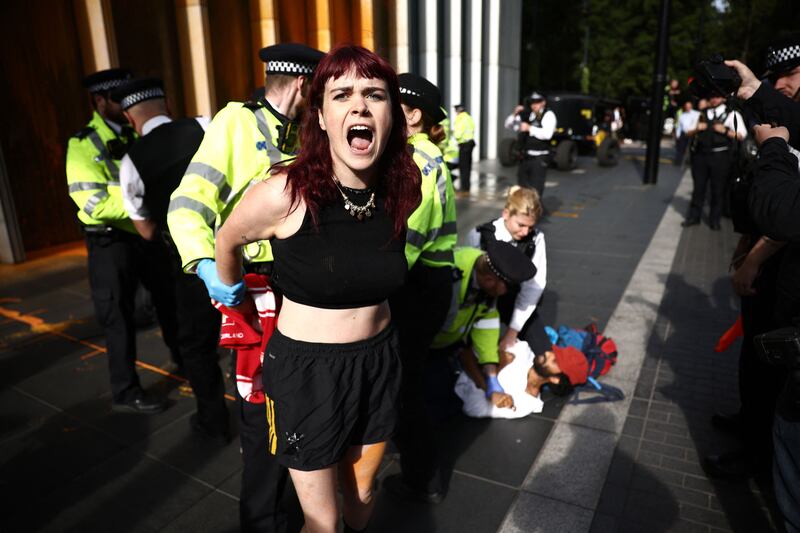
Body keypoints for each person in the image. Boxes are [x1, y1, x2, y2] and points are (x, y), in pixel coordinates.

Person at [214, 44, 421, 533]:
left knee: (364, 493)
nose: (359, 106)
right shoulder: (284, 192)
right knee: (322, 522)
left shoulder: (402, 185)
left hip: (379, 360)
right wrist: (233, 297)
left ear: (392, 112)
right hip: (307, 372)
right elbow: (228, 238)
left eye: (374, 94)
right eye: (342, 94)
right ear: (322, 116)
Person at [167, 43, 324, 532]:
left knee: (302, 406)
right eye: (318, 91)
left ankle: (299, 509)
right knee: (260, 410)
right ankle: (261, 520)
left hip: (303, 289)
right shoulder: (235, 124)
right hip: (256, 291)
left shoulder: (308, 132)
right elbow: (188, 202)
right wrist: (204, 264)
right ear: (301, 85)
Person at [111, 78, 229, 442]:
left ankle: (214, 422)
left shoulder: (131, 161)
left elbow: (145, 230)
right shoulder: (206, 125)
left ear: (131, 119)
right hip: (236, 249)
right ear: (168, 106)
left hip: (189, 263)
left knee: (196, 346)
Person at [66, 68, 173, 414]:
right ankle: (126, 391)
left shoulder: (135, 134)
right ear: (99, 101)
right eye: (116, 98)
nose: (125, 103)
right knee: (118, 318)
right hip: (111, 243)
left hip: (143, 236)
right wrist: (137, 207)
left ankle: (185, 360)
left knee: (167, 303)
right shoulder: (82, 144)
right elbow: (91, 201)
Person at [727, 46, 800, 533]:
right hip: (770, 266)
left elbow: (784, 214)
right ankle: (750, 434)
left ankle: (756, 457)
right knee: (755, 361)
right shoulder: (786, 117)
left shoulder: (786, 137)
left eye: (792, 75)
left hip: (786, 279)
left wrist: (773, 146)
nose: (785, 86)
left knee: (774, 380)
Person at [384, 73, 457, 505]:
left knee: (404, 385)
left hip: (418, 286)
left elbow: (407, 241)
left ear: (410, 114)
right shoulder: (422, 156)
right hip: (427, 284)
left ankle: (423, 476)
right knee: (407, 379)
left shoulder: (417, 163)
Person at [430, 240, 536, 414]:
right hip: (420, 345)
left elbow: (486, 329)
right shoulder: (449, 276)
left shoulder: (485, 284)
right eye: (507, 289)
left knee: (450, 403)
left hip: (445, 346)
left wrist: (492, 379)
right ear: (489, 280)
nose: (506, 294)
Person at [467, 186, 548, 358]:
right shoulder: (479, 236)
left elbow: (534, 286)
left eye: (530, 227)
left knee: (545, 358)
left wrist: (513, 331)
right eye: (521, 225)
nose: (525, 232)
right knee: (479, 356)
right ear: (506, 214)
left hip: (513, 300)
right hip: (480, 301)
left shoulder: (535, 239)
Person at [455, 338, 588, 419]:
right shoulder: (522, 349)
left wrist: (498, 366)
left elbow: (472, 408)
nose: (548, 353)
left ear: (555, 379)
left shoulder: (526, 403)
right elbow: (470, 351)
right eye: (554, 353)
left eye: (555, 361)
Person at [681, 92, 746, 230]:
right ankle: (694, 217)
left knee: (718, 189)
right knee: (698, 188)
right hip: (701, 156)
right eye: (711, 96)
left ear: (723, 98)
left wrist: (725, 130)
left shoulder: (732, 114)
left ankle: (714, 220)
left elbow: (741, 135)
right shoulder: (701, 113)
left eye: (717, 96)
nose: (714, 99)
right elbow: (687, 132)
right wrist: (697, 128)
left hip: (720, 157)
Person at [504, 92, 556, 197]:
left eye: (537, 102)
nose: (534, 105)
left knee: (535, 190)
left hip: (539, 157)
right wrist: (515, 114)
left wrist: (530, 128)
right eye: (532, 102)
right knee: (522, 188)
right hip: (525, 157)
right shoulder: (527, 115)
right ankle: (525, 212)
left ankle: (535, 212)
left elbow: (548, 134)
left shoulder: (548, 115)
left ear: (543, 103)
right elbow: (508, 125)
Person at [453, 103, 475, 196]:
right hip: (470, 143)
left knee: (463, 167)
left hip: (464, 145)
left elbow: (457, 134)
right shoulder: (468, 117)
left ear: (458, 111)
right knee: (468, 167)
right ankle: (467, 187)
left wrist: (455, 136)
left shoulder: (460, 118)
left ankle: (464, 188)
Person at [674, 99, 699, 166]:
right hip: (684, 133)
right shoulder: (683, 115)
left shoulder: (696, 114)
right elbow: (679, 126)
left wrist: (691, 131)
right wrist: (678, 134)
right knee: (680, 148)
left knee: (691, 149)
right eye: (686, 106)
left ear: (691, 106)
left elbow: (696, 123)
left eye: (689, 106)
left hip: (692, 133)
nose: (688, 108)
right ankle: (678, 162)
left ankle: (691, 162)